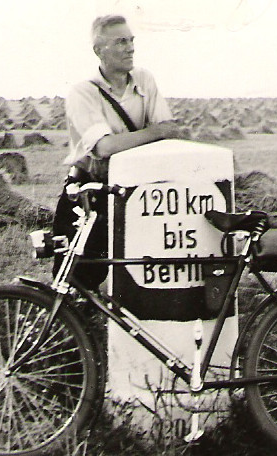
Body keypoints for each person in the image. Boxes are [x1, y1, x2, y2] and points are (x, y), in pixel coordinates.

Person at [53, 14, 183, 286]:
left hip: (136, 188)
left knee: (141, 266)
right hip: (91, 191)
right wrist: (155, 133)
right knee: (78, 278)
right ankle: (78, 325)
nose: (130, 48)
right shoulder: (83, 92)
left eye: (131, 40)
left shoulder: (145, 80)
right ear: (99, 50)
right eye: (121, 41)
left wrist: (159, 133)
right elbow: (105, 146)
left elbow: (170, 130)